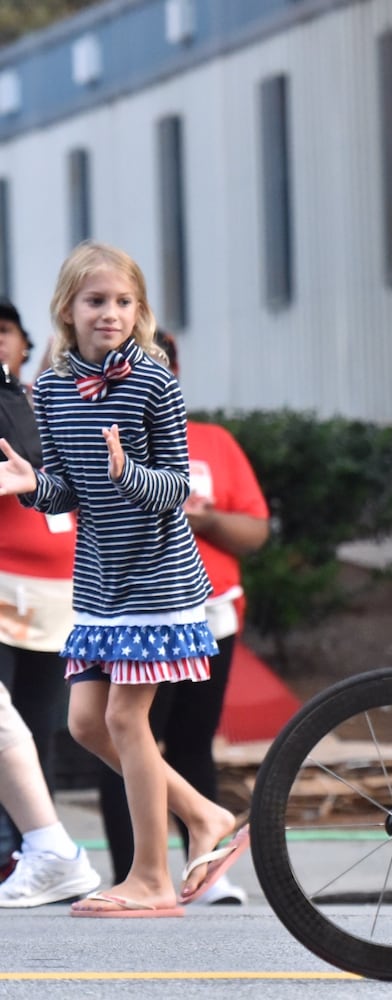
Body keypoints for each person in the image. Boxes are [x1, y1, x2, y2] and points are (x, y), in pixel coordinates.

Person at [0, 241, 247, 917]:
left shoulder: (153, 381)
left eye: (122, 302)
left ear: (138, 311)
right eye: (95, 301)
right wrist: (31, 484)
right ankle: (203, 813)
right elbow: (63, 491)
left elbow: (175, 486)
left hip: (159, 578)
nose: (110, 313)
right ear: (68, 310)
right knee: (85, 724)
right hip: (100, 581)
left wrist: (125, 473)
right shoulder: (48, 387)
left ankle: (152, 878)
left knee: (124, 719)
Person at [94, 330, 269, 905]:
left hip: (203, 611)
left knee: (175, 738)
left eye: (158, 365)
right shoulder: (100, 428)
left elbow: (254, 529)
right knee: (112, 729)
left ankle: (194, 863)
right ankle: (144, 866)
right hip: (122, 607)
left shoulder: (211, 440)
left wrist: (201, 515)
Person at [0, 303, 101, 907]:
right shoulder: (27, 399)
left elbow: (88, 489)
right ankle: (46, 847)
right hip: (17, 589)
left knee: (72, 725)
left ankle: (45, 848)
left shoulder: (35, 403)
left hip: (65, 597)